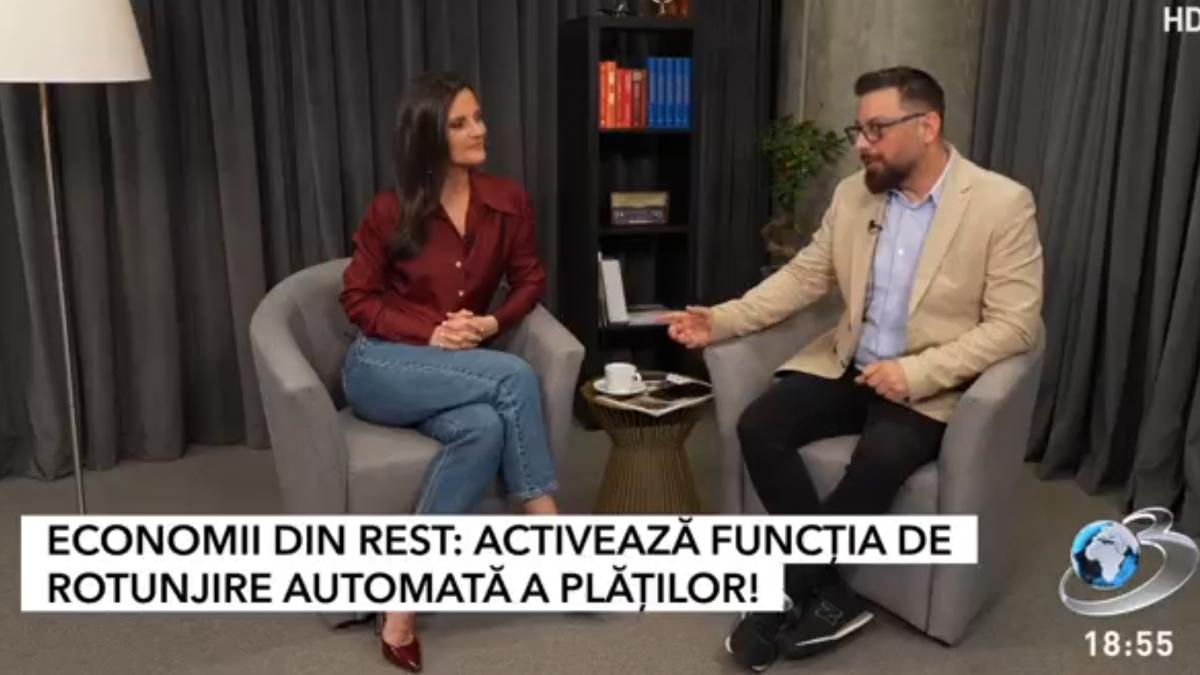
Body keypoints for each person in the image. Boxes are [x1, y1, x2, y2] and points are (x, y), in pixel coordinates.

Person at [664, 66, 1044, 670]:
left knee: (880, 458)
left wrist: (917, 375)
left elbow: (1016, 325)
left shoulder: (1001, 203)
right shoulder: (854, 195)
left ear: (927, 126)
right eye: (858, 130)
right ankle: (831, 592)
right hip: (849, 363)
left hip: (927, 383)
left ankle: (783, 590)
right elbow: (804, 277)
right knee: (759, 425)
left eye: (876, 129)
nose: (862, 144)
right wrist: (724, 319)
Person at [340, 71, 559, 672]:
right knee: (513, 377)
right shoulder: (390, 210)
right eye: (460, 123)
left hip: (457, 370)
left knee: (485, 430)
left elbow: (530, 279)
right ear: (429, 134)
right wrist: (430, 333)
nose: (478, 130)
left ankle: (400, 605)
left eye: (478, 117)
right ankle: (550, 533)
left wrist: (489, 324)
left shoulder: (507, 201)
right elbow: (357, 298)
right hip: (381, 364)